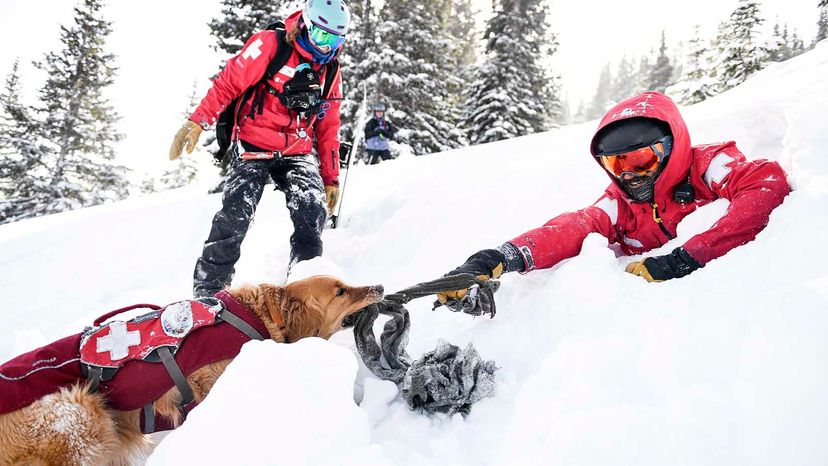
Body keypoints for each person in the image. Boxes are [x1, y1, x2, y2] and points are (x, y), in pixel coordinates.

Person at [437, 92, 791, 313]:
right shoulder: (619, 204)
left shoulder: (707, 167)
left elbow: (766, 184)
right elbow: (573, 228)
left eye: (642, 161)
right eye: (617, 164)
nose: (631, 175)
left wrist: (688, 258)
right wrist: (499, 257)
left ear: (672, 148)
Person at [169, 0, 350, 298]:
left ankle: (304, 284)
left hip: (296, 149)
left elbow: (328, 126)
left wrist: (330, 178)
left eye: (335, 39)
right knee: (235, 215)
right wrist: (197, 122)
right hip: (254, 144)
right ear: (305, 25)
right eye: (321, 36)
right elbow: (228, 84)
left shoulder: (330, 71)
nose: (326, 46)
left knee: (311, 208)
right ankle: (209, 293)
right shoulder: (270, 45)